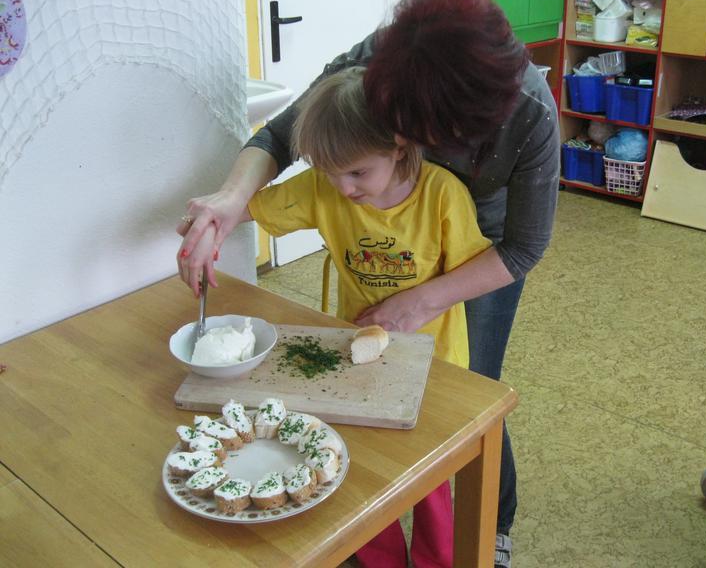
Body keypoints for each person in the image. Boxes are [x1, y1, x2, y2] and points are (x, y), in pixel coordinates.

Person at [177, 0, 560, 567]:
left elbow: (524, 246)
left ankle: (490, 529)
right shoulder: (383, 60)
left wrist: (424, 301)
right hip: (388, 265)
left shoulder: (528, 114)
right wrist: (229, 203)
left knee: (468, 398)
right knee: (369, 410)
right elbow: (282, 135)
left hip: (480, 249)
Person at [183, 66, 492, 567]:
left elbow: (475, 271)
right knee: (358, 463)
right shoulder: (325, 187)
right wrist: (208, 229)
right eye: (329, 173)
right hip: (356, 359)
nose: (343, 188)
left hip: (437, 363)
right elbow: (247, 209)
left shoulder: (442, 195)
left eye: (357, 173)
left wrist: (421, 303)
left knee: (429, 476)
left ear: (399, 146)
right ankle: (378, 558)